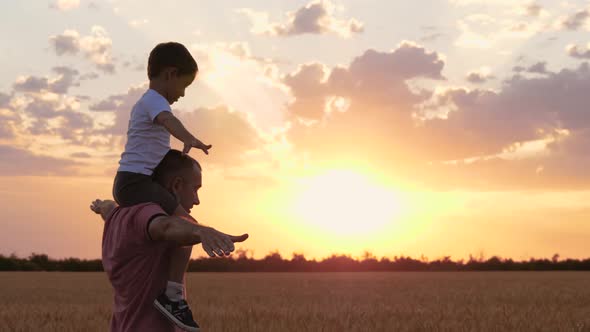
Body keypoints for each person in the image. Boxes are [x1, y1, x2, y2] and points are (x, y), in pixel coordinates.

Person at [91, 150, 249, 332]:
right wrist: (200, 231)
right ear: (176, 185)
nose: (197, 200)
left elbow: (109, 208)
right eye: (195, 189)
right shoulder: (146, 213)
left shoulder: (118, 216)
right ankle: (173, 298)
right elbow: (165, 226)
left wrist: (102, 205)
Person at [112, 42, 211, 325]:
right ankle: (173, 294)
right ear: (170, 74)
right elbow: (169, 120)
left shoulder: (148, 103)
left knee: (182, 222)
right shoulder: (155, 101)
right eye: (184, 86)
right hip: (135, 183)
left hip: (133, 182)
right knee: (186, 223)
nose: (182, 94)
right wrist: (188, 138)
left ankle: (171, 290)